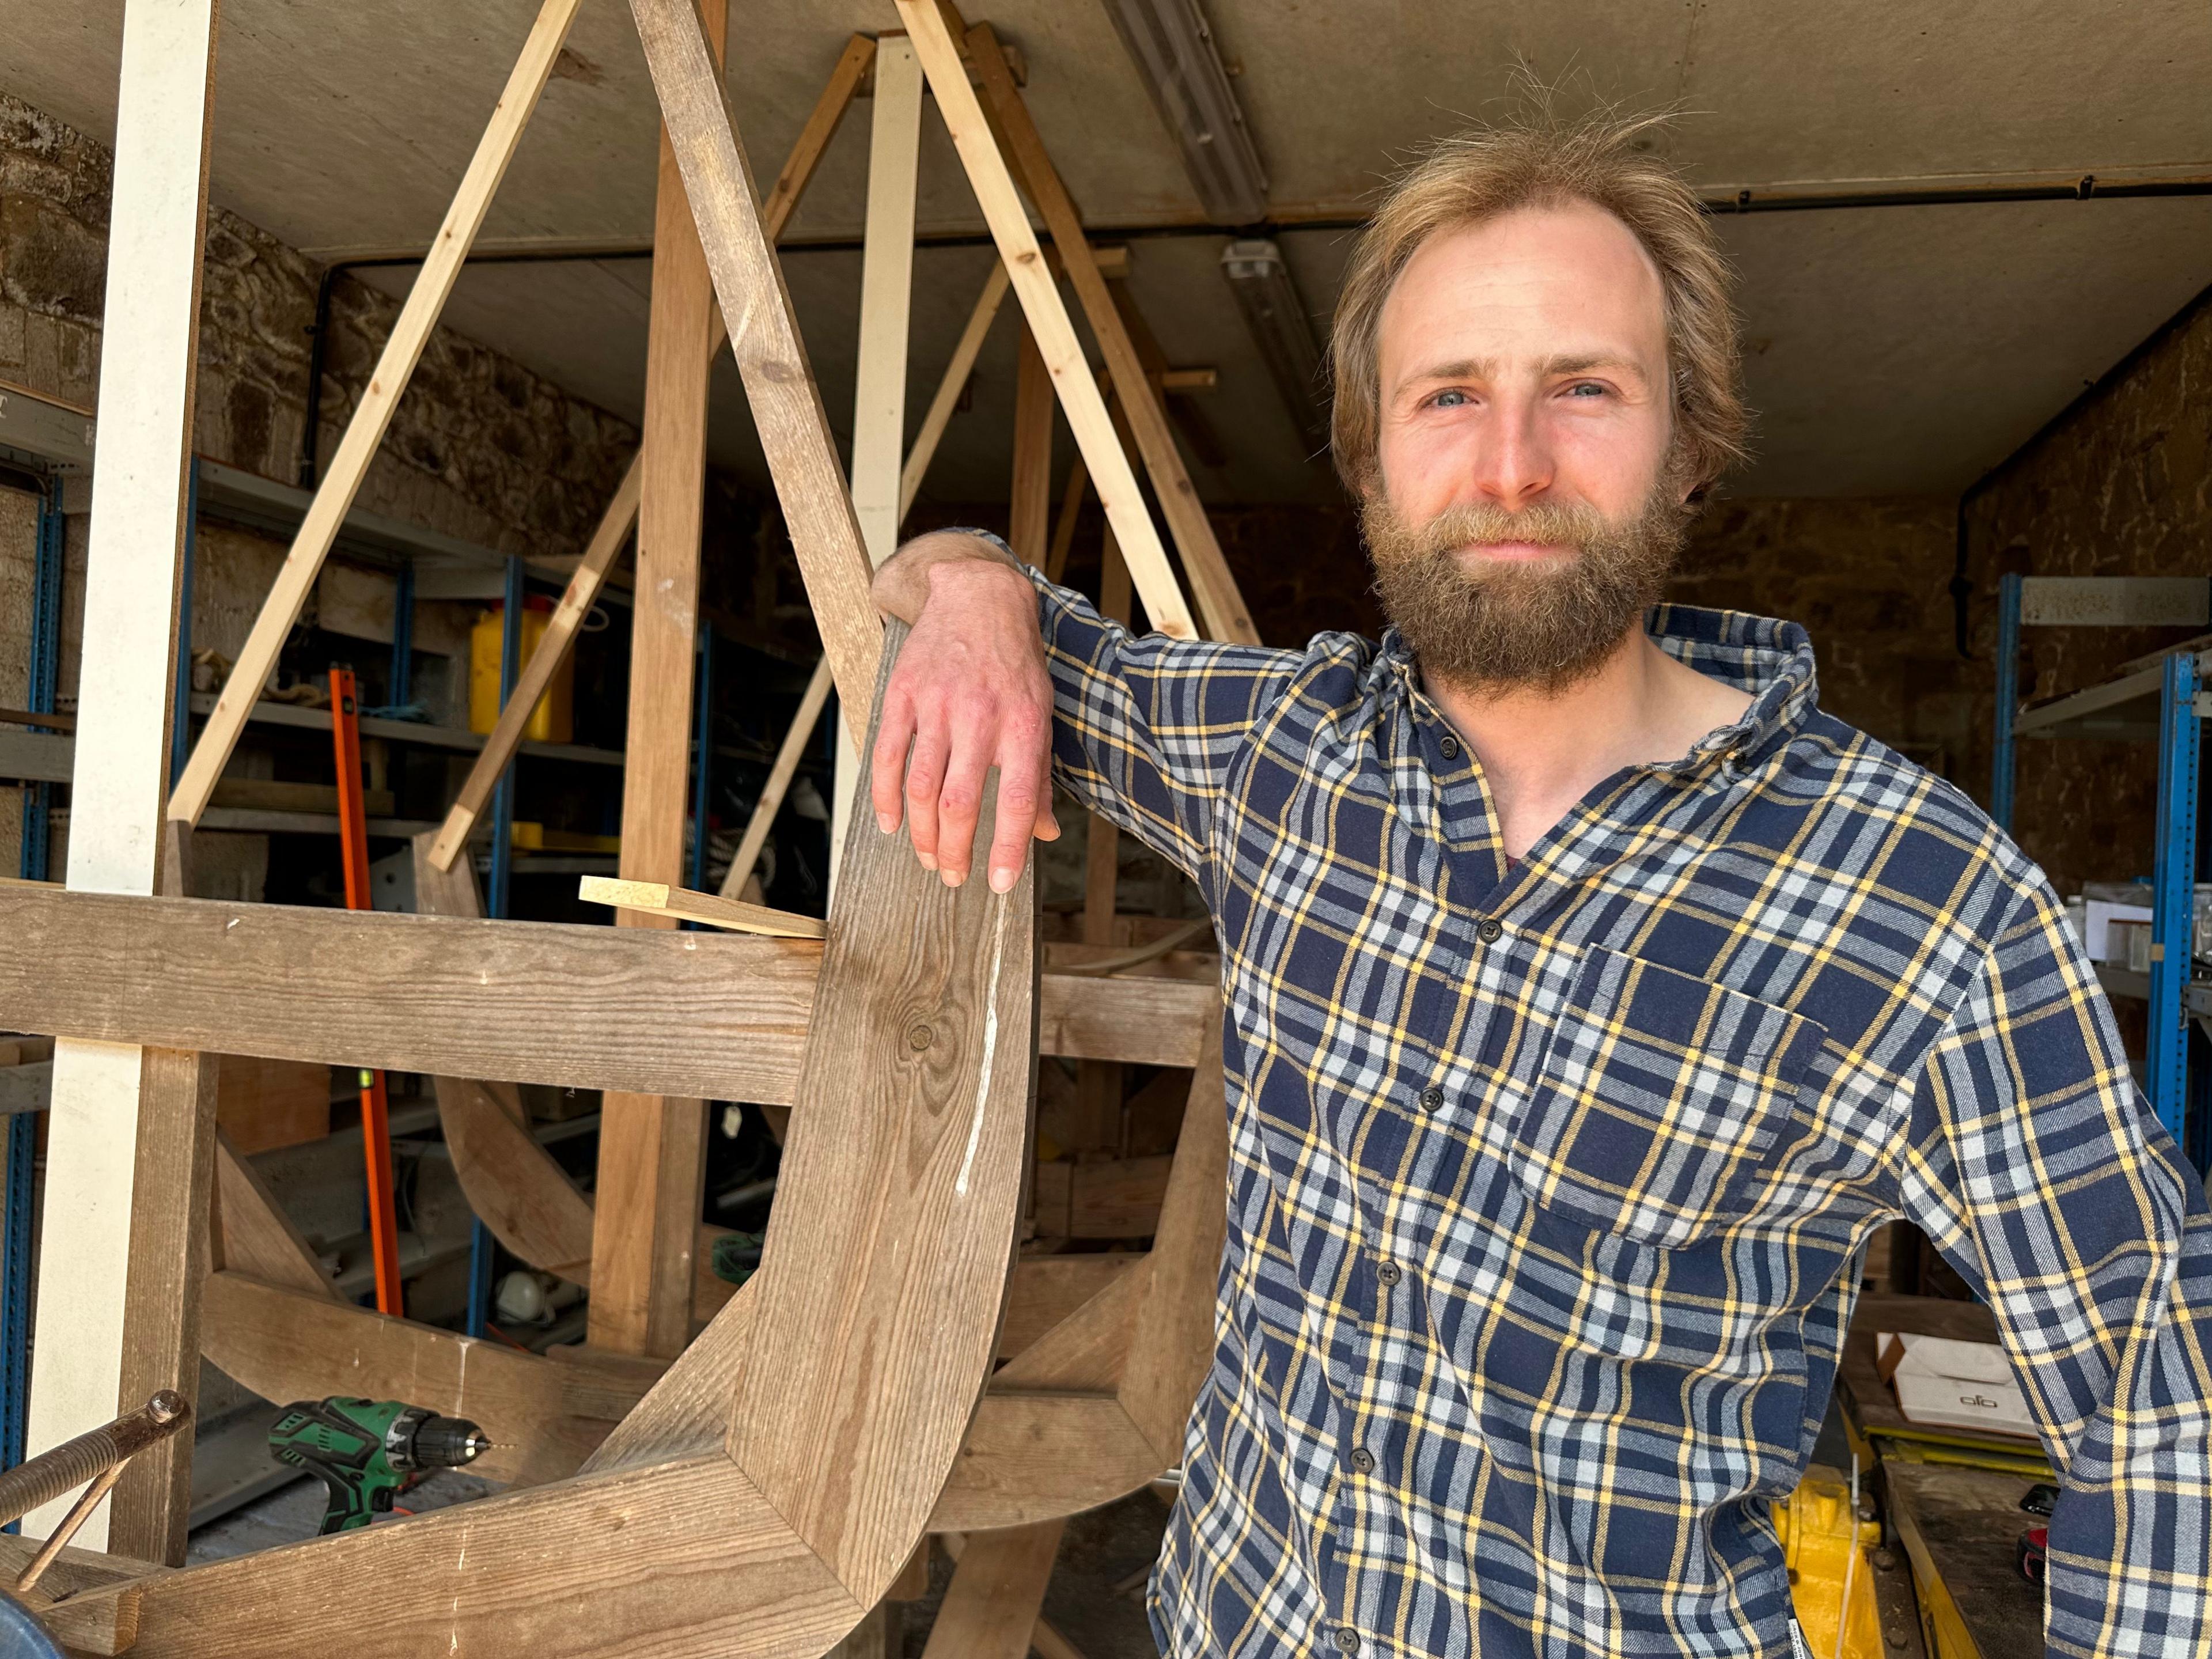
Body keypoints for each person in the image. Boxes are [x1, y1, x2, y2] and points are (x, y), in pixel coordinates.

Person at [869, 107, 2212, 1659]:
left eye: (1583, 388)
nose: (1511, 467)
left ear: (1690, 443)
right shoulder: (1285, 758)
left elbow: (2158, 1382)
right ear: (1372, 454)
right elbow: (978, 597)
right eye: (1449, 397)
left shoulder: (1919, 902)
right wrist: (969, 589)